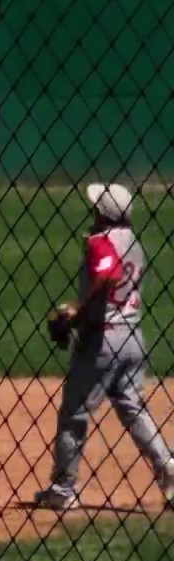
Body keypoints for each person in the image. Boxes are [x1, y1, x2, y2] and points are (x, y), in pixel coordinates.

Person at [33, 183, 174, 509]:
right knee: (131, 406)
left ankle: (63, 490)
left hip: (103, 340)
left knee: (73, 414)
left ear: (103, 213)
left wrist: (76, 315)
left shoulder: (101, 242)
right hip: (133, 338)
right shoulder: (135, 244)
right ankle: (166, 464)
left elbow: (107, 275)